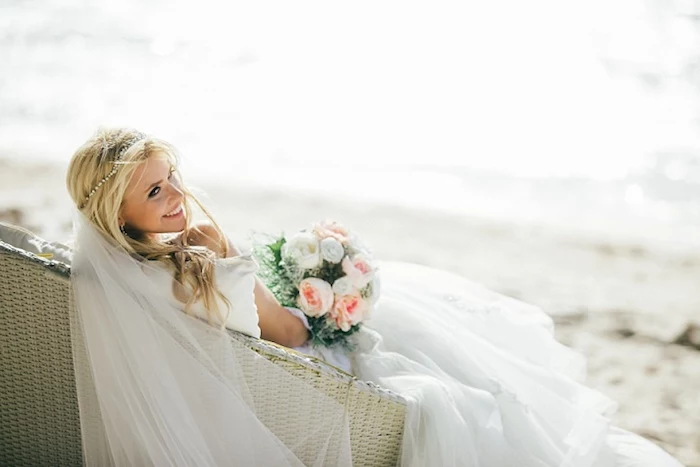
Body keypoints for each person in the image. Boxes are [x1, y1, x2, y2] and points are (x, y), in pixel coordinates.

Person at [65, 127, 684, 466]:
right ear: (115, 214)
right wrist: (269, 274)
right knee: (432, 335)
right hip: (297, 373)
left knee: (424, 313)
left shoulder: (119, 277)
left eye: (170, 177)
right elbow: (289, 335)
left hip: (258, 361)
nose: (175, 194)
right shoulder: (198, 266)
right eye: (153, 193)